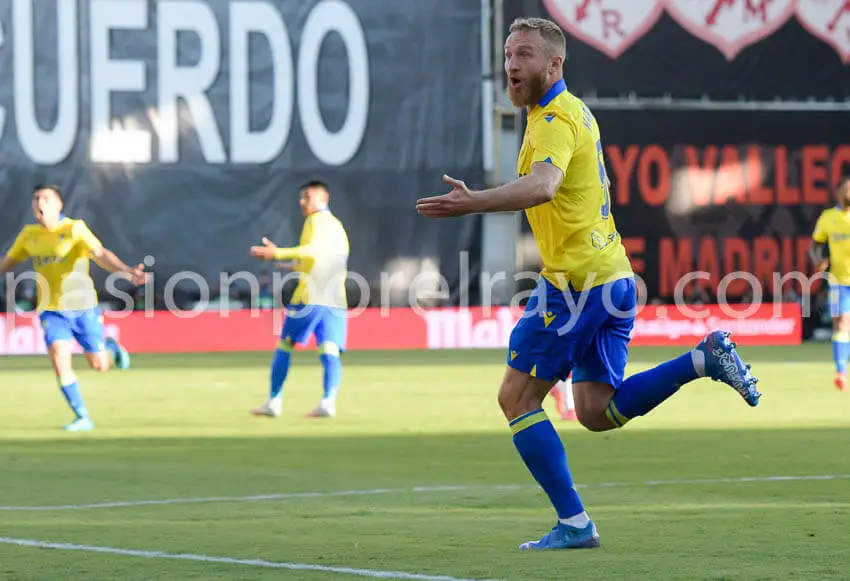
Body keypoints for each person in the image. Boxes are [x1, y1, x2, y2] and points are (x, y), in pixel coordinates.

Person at [416, 17, 760, 550]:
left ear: (554, 65)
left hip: (576, 287)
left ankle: (575, 525)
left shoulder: (554, 116)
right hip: (612, 279)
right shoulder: (558, 113)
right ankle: (703, 359)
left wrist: (473, 202)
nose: (511, 64)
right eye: (508, 54)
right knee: (598, 411)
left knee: (517, 398)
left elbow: (544, 186)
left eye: (524, 54)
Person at [0, 185, 147, 431]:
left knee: (100, 365)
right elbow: (8, 262)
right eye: (36, 199)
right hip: (51, 309)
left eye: (46, 198)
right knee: (59, 355)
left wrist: (127, 271)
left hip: (83, 307)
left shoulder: (74, 229)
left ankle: (109, 346)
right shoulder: (29, 235)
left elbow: (100, 253)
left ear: (59, 205)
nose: (40, 203)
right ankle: (82, 417)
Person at [249, 180, 350, 418]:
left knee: (285, 344)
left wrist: (277, 253)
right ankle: (328, 402)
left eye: (307, 197)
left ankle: (274, 401)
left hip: (311, 296)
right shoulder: (337, 226)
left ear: (323, 199)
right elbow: (323, 259)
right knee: (329, 350)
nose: (302, 202)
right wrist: (291, 264)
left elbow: (312, 251)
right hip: (335, 298)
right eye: (302, 197)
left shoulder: (315, 221)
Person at [810, 176, 850, 391]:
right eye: (847, 190)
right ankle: (841, 372)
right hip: (839, 281)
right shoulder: (828, 218)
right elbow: (815, 245)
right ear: (839, 193)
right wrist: (818, 260)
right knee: (842, 324)